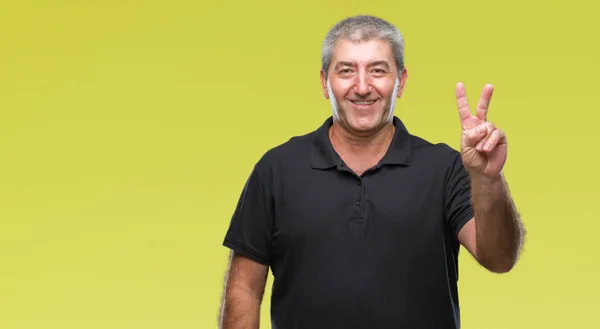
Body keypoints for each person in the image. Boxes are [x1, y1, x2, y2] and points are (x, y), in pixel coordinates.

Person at [217, 15, 526, 329]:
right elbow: (244, 289)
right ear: (325, 82)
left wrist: (487, 180)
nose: (362, 87)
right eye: (347, 70)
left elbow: (499, 258)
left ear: (400, 82)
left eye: (378, 70)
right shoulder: (276, 170)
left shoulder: (445, 168)